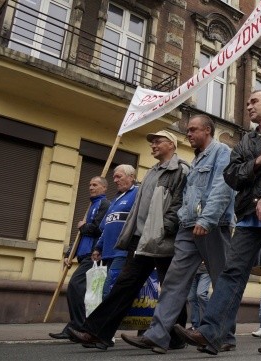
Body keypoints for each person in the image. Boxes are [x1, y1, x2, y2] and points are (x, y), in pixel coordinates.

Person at [173, 89, 261, 355]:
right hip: (247, 215)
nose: (248, 106)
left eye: (254, 101)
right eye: (247, 101)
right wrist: (257, 162)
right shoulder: (246, 141)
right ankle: (211, 332)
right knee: (232, 273)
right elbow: (232, 176)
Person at [119, 115, 236, 354]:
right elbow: (188, 194)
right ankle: (157, 335)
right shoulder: (195, 160)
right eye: (187, 131)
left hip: (212, 226)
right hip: (188, 227)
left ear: (207, 130)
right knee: (173, 281)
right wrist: (184, 216)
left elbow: (222, 189)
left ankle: (225, 335)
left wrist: (207, 219)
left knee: (220, 281)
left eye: (193, 130)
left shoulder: (221, 152)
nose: (188, 134)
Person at [68, 130, 190, 350]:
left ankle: (176, 336)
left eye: (157, 142)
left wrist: (165, 228)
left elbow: (180, 203)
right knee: (124, 285)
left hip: (163, 238)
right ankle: (97, 332)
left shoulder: (180, 170)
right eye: (151, 142)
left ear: (171, 144)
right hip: (140, 240)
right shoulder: (152, 172)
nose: (152, 145)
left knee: (170, 287)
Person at [49, 176, 109, 340]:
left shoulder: (104, 205)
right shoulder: (91, 205)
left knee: (76, 286)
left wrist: (84, 226)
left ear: (104, 188)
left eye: (95, 185)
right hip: (83, 256)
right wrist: (70, 254)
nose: (90, 187)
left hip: (93, 256)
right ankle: (80, 327)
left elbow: (98, 230)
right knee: (83, 292)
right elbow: (80, 236)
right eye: (89, 184)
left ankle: (78, 326)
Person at [94, 165, 138, 296]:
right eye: (114, 177)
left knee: (109, 290)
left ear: (131, 177)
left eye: (119, 176)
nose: (115, 180)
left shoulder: (138, 193)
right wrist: (98, 248)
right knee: (109, 291)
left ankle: (108, 317)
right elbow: (106, 226)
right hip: (109, 253)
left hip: (123, 252)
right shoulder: (115, 199)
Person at [188, 262, 211, 329]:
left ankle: (209, 323)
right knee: (191, 298)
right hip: (192, 271)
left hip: (205, 270)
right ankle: (195, 325)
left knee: (201, 294)